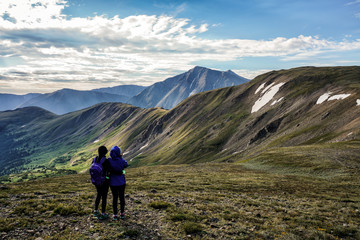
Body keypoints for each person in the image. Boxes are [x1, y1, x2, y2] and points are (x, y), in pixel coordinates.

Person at [108, 146, 128, 220]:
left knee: (114, 198)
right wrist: (120, 158)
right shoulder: (121, 161)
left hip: (112, 183)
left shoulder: (109, 160)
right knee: (121, 197)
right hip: (121, 182)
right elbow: (126, 164)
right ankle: (122, 213)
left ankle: (115, 214)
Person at [92, 146, 110, 220]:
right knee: (104, 197)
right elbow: (108, 172)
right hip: (104, 182)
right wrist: (107, 179)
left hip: (96, 182)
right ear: (105, 152)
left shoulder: (94, 159)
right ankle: (103, 213)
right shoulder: (105, 161)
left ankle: (95, 210)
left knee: (98, 194)